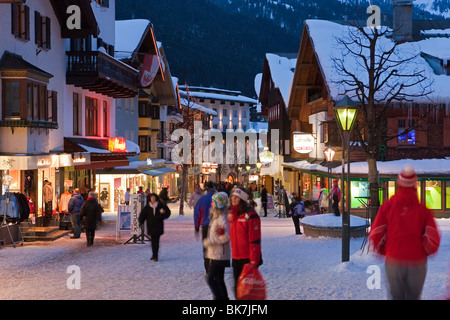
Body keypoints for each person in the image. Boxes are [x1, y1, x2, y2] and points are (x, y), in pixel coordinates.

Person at [370, 165, 441, 300]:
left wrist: (383, 250)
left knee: (396, 296)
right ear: (415, 186)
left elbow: (376, 232)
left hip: (394, 260)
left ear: (399, 184)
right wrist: (423, 251)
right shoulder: (423, 210)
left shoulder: (387, 206)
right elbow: (433, 238)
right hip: (417, 262)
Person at [228, 188, 262, 297]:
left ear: (242, 199)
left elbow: (255, 240)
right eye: (232, 196)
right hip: (236, 257)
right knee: (238, 289)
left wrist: (253, 261)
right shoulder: (233, 214)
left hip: (248, 258)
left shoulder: (250, 215)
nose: (233, 198)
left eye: (237, 197)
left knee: (247, 290)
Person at [203, 192, 231, 300]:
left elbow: (227, 235)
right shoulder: (216, 215)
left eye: (213, 202)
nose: (211, 203)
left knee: (210, 279)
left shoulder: (222, 218)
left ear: (218, 203)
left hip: (220, 254)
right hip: (215, 253)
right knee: (219, 279)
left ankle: (219, 298)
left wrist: (211, 240)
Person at [138, 193, 171, 261]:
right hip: (151, 226)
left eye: (154, 198)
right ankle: (154, 254)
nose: (152, 199)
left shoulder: (160, 205)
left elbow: (167, 213)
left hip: (158, 225)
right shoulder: (147, 207)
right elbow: (142, 215)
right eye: (151, 198)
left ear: (156, 198)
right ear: (149, 199)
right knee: (153, 241)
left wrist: (161, 217)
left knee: (156, 241)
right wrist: (141, 222)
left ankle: (156, 255)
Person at [194, 181, 216, 273]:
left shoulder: (202, 200)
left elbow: (197, 214)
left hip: (206, 226)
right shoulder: (219, 198)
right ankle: (215, 266)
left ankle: (207, 267)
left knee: (206, 246)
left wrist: (197, 227)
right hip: (217, 226)